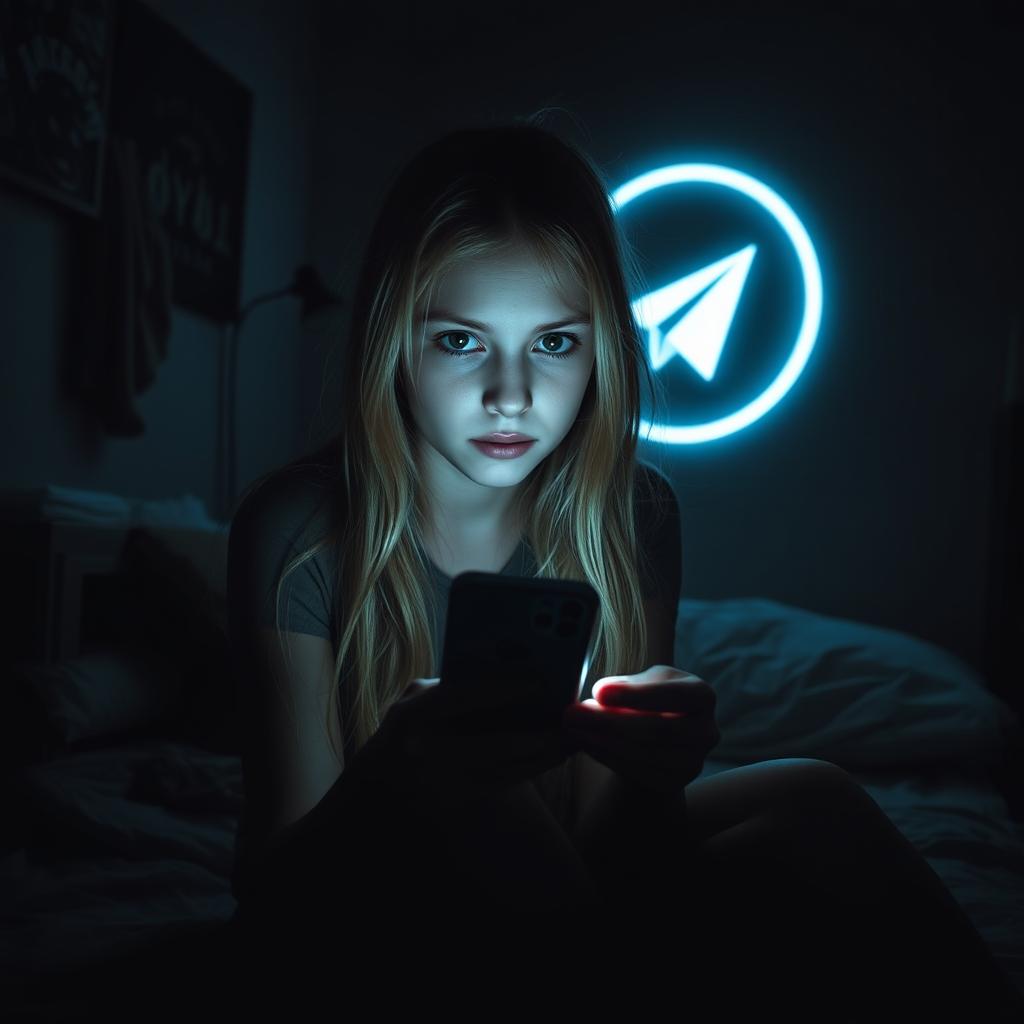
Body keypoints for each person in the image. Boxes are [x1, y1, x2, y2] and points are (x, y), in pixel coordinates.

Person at [222, 114, 1024, 1019]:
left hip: (579, 890)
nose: (512, 393)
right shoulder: (301, 528)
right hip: (374, 911)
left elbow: (615, 851)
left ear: (602, 343)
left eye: (555, 343)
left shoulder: (633, 513)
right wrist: (393, 776)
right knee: (490, 799)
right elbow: (274, 892)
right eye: (460, 340)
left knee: (818, 797)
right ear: (391, 339)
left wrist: (653, 768)